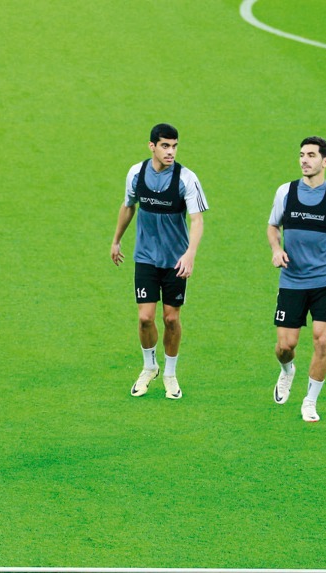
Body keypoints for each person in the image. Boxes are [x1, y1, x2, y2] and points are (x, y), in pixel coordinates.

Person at [111, 123, 208, 400]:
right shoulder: (136, 173)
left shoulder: (186, 178)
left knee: (171, 319)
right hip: (145, 258)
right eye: (165, 146)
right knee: (144, 318)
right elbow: (128, 205)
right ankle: (149, 366)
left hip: (175, 261)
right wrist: (116, 240)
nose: (171, 152)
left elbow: (197, 219)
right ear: (151, 146)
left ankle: (170, 373)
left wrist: (190, 254)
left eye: (175, 146)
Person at [267, 136, 326, 422]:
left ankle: (310, 400)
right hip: (292, 280)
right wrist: (276, 248)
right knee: (285, 346)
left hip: (324, 280)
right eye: (301, 155)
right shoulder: (286, 192)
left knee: (322, 340)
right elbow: (273, 226)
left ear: (325, 161)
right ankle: (287, 371)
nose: (304, 160)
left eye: (311, 155)